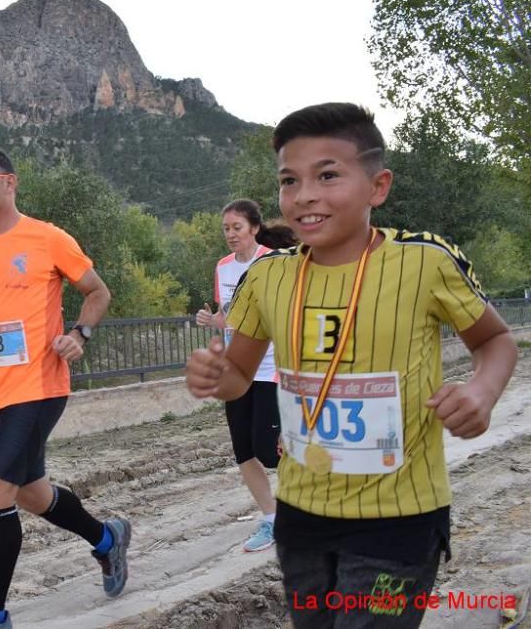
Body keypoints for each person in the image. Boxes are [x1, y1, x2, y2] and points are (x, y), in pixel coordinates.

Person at [185, 103, 517, 628]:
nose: (305, 196)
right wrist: (213, 377)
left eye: (328, 175)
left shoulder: (424, 262)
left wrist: (481, 392)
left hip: (399, 523)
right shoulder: (267, 280)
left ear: (377, 187)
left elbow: (496, 340)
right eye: (289, 181)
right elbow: (239, 378)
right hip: (301, 518)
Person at [0, 148, 130, 629]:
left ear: (9, 182)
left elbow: (98, 291)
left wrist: (79, 334)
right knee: (30, 493)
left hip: (41, 385)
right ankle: (107, 539)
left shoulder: (47, 239)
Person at [194, 200, 295, 552]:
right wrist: (213, 323)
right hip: (235, 370)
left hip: (270, 367)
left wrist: (231, 321)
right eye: (226, 229)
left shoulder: (277, 260)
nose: (230, 234)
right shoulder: (222, 267)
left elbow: (282, 313)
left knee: (269, 451)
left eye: (236, 227)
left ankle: (312, 503)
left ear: (254, 228)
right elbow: (225, 314)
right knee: (243, 450)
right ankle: (272, 519)